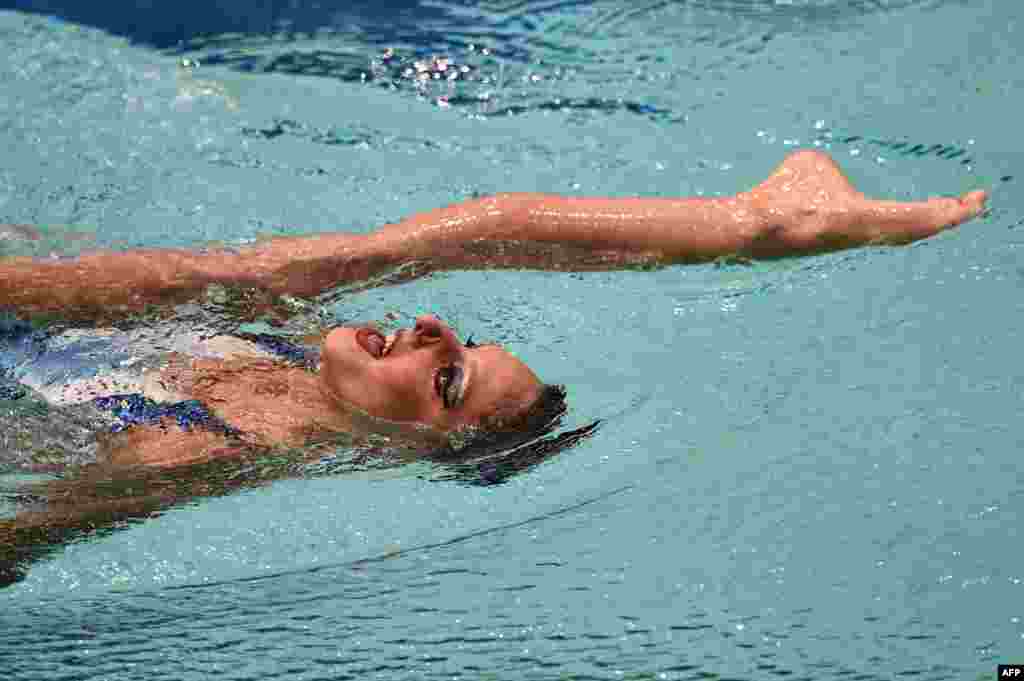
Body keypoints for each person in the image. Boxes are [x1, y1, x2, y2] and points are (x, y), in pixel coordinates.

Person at [0, 150, 988, 584]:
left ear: (403, 449)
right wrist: (736, 228)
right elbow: (480, 232)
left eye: (449, 380)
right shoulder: (288, 338)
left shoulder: (187, 452)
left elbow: (17, 546)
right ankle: (763, 223)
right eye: (459, 344)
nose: (432, 331)